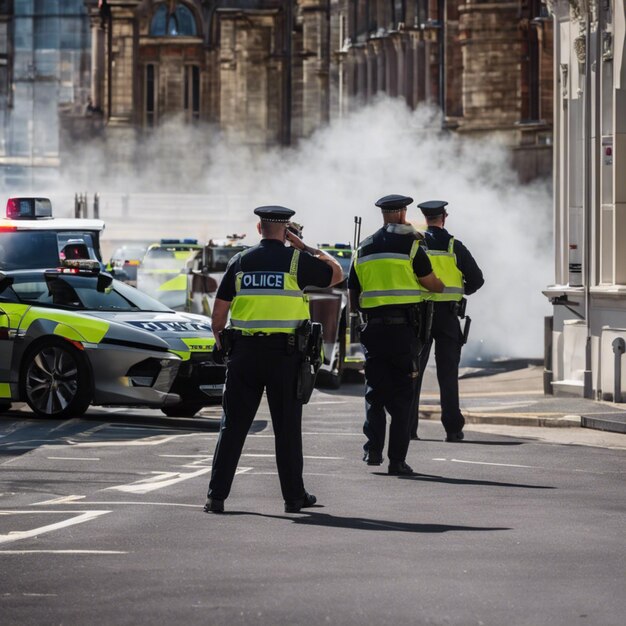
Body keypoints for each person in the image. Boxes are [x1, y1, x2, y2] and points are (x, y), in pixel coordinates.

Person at [204, 205, 343, 513]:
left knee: (233, 427)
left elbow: (217, 318)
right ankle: (294, 498)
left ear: (258, 229)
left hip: (243, 356)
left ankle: (216, 497)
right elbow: (337, 273)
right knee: (287, 429)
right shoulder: (297, 261)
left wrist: (227, 348)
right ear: (287, 231)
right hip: (285, 357)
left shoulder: (238, 262)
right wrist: (305, 246)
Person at [348, 194, 444, 475]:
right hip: (404, 332)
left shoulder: (363, 248)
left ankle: (373, 451)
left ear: (383, 215)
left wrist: (361, 316)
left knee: (374, 394)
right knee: (403, 397)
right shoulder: (412, 245)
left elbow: (353, 290)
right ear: (403, 214)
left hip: (373, 331)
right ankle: (397, 461)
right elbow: (432, 284)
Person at [410, 200, 484, 442]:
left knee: (413, 373)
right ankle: (453, 429)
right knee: (448, 374)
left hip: (419, 315)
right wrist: (461, 289)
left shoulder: (415, 244)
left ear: (424, 217)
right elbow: (477, 280)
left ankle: (409, 428)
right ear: (444, 217)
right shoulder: (455, 246)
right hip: (448, 316)